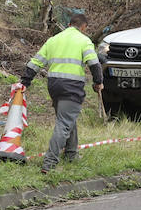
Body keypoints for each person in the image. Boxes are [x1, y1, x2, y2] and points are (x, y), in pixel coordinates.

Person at [20, 13, 103, 173]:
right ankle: (49, 163)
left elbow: (35, 62)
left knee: (67, 118)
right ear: (83, 27)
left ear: (69, 24)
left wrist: (25, 81)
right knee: (64, 123)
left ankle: (71, 154)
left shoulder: (53, 40)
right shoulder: (84, 40)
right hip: (71, 86)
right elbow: (94, 63)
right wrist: (98, 82)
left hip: (54, 85)